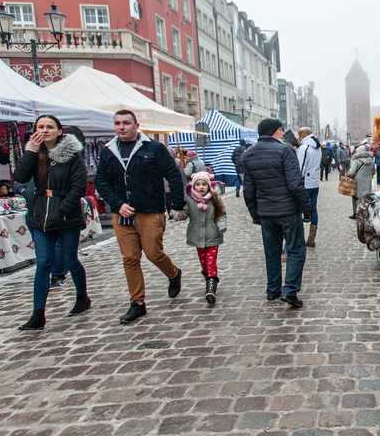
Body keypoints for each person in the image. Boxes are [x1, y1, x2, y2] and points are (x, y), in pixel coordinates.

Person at [95, 109, 185, 324]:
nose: (122, 127)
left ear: (136, 125)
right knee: (130, 259)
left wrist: (177, 205)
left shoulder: (153, 148)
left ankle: (173, 273)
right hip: (122, 213)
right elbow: (102, 181)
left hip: (150, 210)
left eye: (126, 123)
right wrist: (117, 204)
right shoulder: (108, 151)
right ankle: (137, 303)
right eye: (117, 123)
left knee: (153, 253)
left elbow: (173, 175)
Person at [13, 114, 90, 330]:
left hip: (66, 216)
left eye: (50, 127)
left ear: (59, 131)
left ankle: (82, 297)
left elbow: (78, 186)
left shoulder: (72, 155)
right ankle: (38, 314)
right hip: (40, 216)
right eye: (41, 127)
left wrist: (63, 208)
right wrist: (31, 151)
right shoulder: (33, 153)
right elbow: (19, 176)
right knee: (43, 263)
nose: (45, 130)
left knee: (69, 259)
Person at [242, 118, 313, 308]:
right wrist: (308, 209)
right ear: (277, 131)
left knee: (272, 251)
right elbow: (295, 184)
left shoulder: (249, 155)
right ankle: (290, 290)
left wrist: (255, 213)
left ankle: (273, 289)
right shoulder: (284, 151)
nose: (284, 134)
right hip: (288, 210)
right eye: (282, 131)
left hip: (266, 211)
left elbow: (248, 190)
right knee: (296, 248)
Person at [177, 171, 227, 303]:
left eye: (204, 184)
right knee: (203, 262)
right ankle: (208, 279)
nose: (201, 187)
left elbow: (221, 212)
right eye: (197, 184)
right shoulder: (189, 199)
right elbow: (186, 212)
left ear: (208, 185)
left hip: (212, 233)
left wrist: (221, 225)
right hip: (197, 234)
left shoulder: (214, 198)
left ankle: (211, 287)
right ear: (193, 186)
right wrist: (179, 215)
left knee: (211, 262)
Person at [296, 127, 322, 248]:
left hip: (305, 183)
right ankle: (311, 239)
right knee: (313, 209)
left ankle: (299, 238)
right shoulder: (317, 147)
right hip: (314, 182)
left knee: (299, 209)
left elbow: (300, 167)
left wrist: (297, 182)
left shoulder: (304, 148)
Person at [347, 144, 374, 219]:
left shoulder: (356, 160)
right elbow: (373, 171)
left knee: (355, 197)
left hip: (357, 182)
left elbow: (352, 172)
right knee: (367, 197)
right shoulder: (371, 160)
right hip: (367, 181)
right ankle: (367, 212)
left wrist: (348, 174)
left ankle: (356, 213)